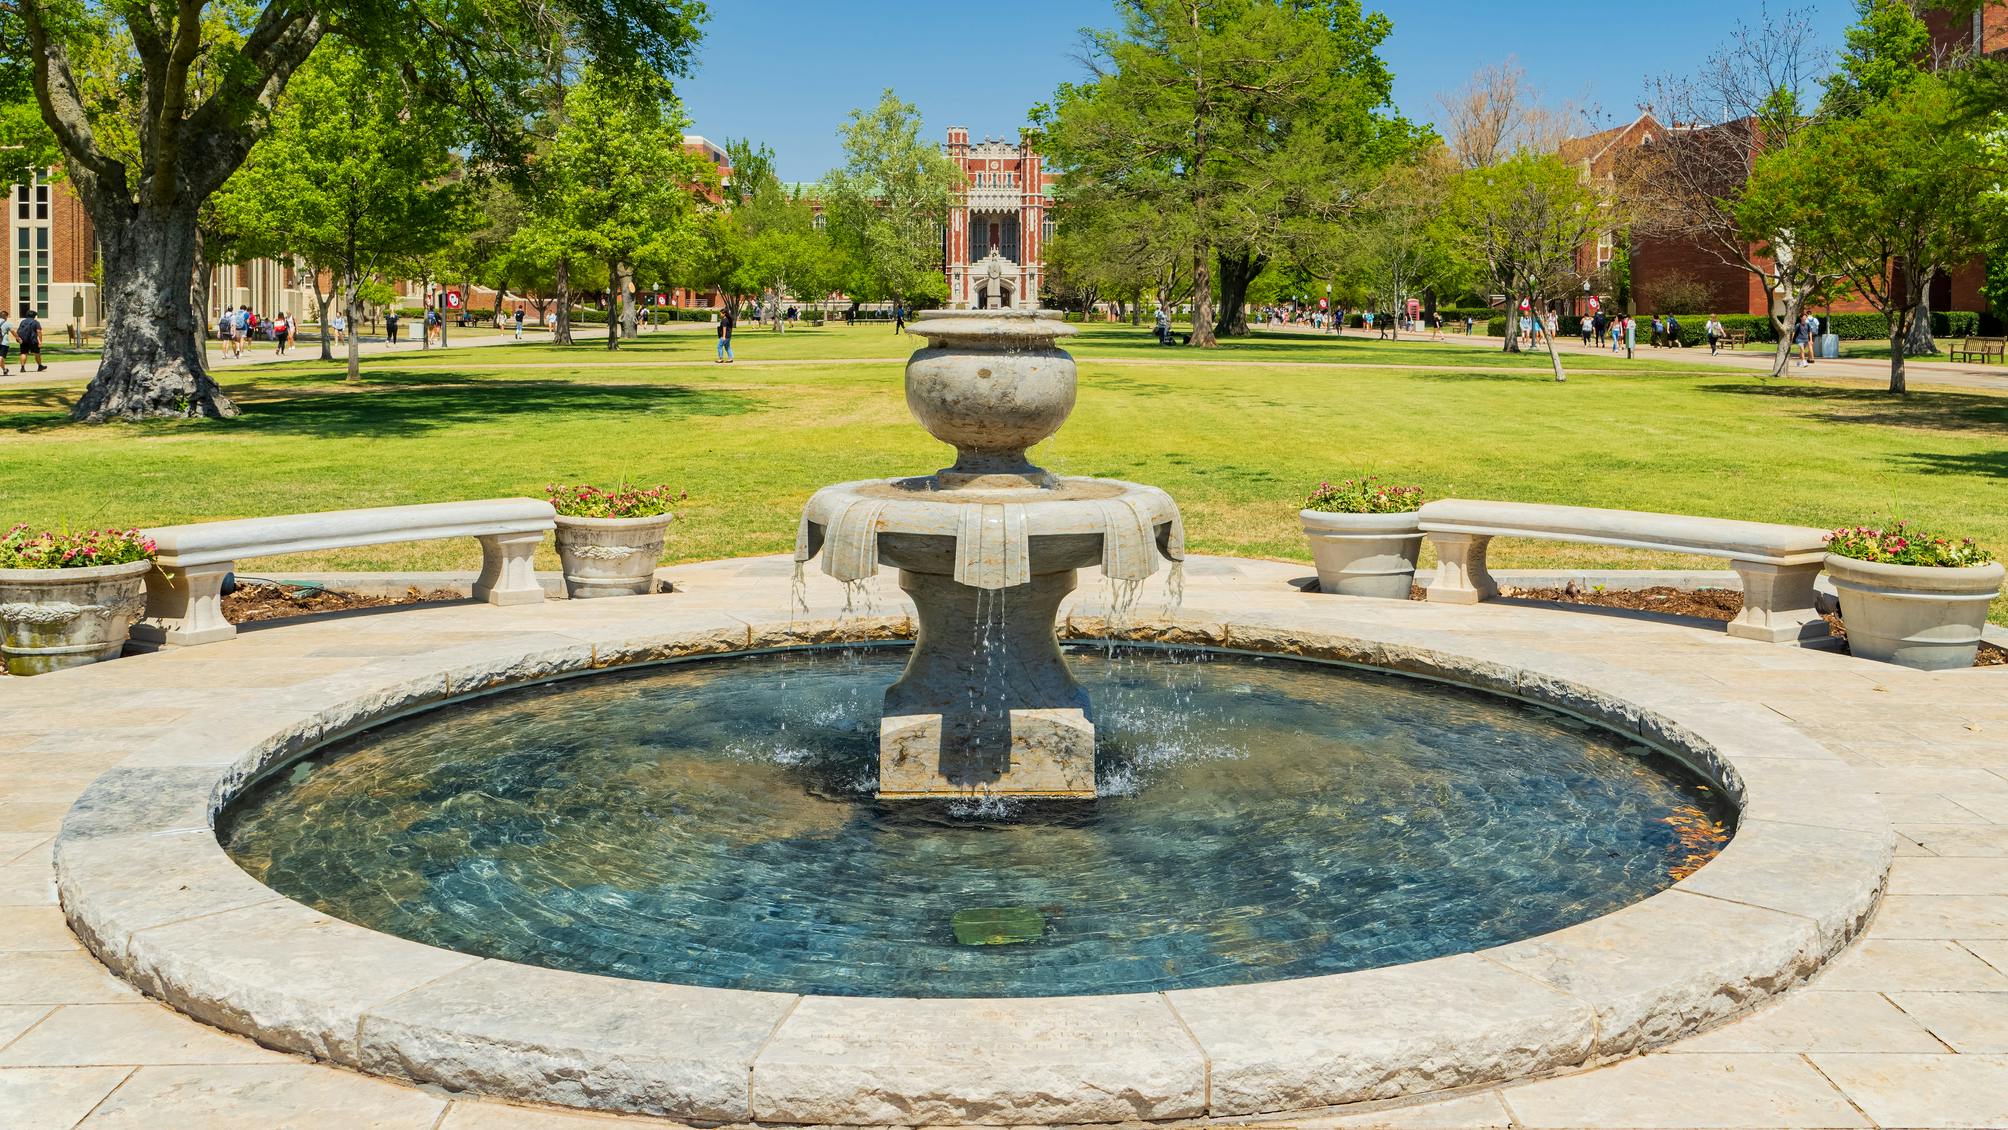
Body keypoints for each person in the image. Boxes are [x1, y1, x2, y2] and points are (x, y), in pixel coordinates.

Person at [15, 307, 45, 372]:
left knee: (23, 353)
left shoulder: (22, 321)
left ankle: (22, 367)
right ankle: (40, 366)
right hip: (33, 340)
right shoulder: (35, 322)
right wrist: (40, 341)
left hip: (24, 340)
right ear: (34, 316)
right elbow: (39, 331)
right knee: (37, 353)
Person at [0, 309, 11, 376]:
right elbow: (13, 331)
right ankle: (4, 370)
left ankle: (4, 370)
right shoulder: (7, 323)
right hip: (3, 343)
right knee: (1, 357)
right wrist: (18, 338)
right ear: (6, 316)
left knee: (1, 358)